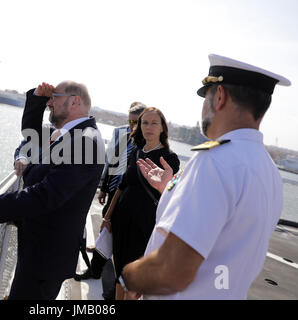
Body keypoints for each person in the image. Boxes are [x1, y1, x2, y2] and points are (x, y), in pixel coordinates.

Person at [121, 54, 291, 300]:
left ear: (219, 96)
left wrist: (129, 279)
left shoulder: (214, 160)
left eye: (206, 97)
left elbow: (172, 271)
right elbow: (225, 228)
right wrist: (170, 188)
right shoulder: (269, 171)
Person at [0, 81, 105, 300]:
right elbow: (31, 133)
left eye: (54, 97)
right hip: (42, 251)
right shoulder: (75, 135)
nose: (49, 103)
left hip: (45, 258)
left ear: (75, 101)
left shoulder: (84, 142)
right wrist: (36, 97)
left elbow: (44, 196)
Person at [101, 107, 180, 300]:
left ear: (163, 128)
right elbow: (122, 186)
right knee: (120, 272)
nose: (148, 127)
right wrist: (108, 217)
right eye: (144, 122)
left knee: (133, 282)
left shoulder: (170, 159)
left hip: (144, 228)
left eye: (154, 123)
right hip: (121, 224)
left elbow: (171, 196)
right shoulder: (135, 152)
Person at [74, 102, 146, 300]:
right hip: (115, 189)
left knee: (121, 241)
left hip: (130, 198)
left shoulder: (147, 140)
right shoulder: (121, 135)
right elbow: (111, 161)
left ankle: (117, 284)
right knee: (105, 230)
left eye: (136, 121)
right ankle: (95, 271)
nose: (132, 125)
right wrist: (104, 187)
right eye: (130, 120)